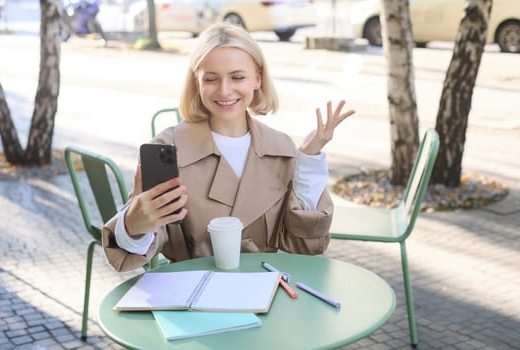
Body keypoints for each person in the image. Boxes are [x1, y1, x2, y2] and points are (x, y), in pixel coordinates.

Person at [101, 23, 354, 272]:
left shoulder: (281, 149)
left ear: (258, 78)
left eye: (237, 77)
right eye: (211, 78)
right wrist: (133, 225)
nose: (224, 90)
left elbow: (303, 245)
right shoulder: (169, 148)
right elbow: (136, 247)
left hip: (263, 291)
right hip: (192, 294)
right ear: (196, 83)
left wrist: (309, 161)